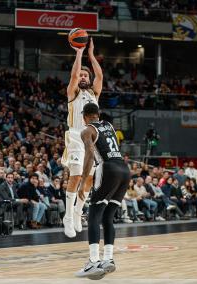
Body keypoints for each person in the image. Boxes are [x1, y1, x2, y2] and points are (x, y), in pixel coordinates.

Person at [75, 103, 130, 279]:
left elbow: (90, 153)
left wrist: (83, 180)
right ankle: (108, 259)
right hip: (124, 170)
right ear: (98, 114)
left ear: (84, 116)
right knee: (108, 216)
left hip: (107, 168)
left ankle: (93, 262)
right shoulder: (109, 125)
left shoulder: (86, 131)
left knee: (94, 214)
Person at [61, 38, 103, 238]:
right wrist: (79, 51)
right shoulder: (73, 92)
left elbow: (100, 76)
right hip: (75, 137)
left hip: (91, 139)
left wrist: (92, 55)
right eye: (82, 75)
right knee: (76, 175)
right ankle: (68, 216)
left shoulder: (94, 93)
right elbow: (74, 74)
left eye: (86, 74)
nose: (83, 76)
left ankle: (78, 212)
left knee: (90, 178)